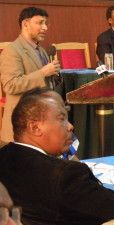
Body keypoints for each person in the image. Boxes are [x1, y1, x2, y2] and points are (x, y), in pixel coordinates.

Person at [0, 88, 114, 225]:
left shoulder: (3, 157)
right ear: (35, 128)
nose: (70, 126)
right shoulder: (65, 174)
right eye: (61, 118)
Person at [0, 7, 61, 145]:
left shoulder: (41, 50)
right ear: (25, 24)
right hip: (22, 125)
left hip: (42, 120)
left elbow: (45, 82)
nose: (45, 27)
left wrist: (55, 74)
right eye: (40, 23)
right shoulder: (12, 51)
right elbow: (11, 85)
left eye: (46, 23)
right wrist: (43, 72)